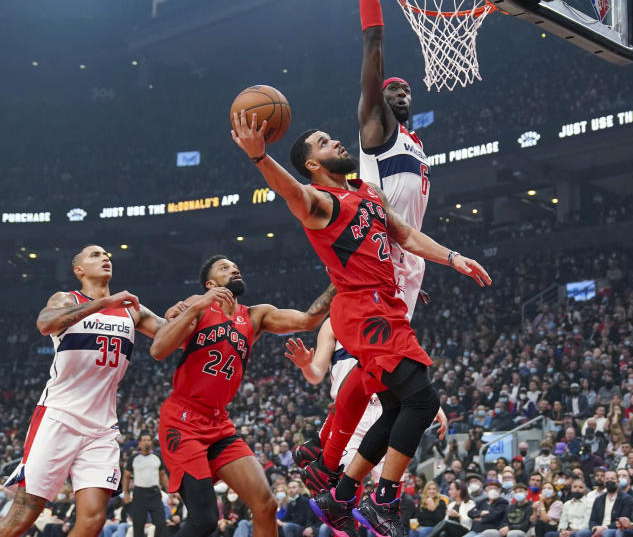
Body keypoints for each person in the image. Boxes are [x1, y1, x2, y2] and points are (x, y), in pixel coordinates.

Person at [231, 87, 489, 537]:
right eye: (326, 143)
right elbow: (290, 192)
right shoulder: (319, 203)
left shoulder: (365, 191)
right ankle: (383, 498)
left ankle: (341, 493)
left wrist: (452, 258)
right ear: (313, 164)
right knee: (423, 401)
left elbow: (406, 236)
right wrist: (260, 159)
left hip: (381, 304)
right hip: (364, 312)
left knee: (395, 409)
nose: (338, 143)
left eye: (334, 138)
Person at [289, 0, 438, 498]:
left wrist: (421, 266)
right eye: (388, 86)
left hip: (397, 265)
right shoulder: (375, 132)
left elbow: (403, 227)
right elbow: (373, 43)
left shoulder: (418, 145)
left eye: (404, 87)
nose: (394, 89)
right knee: (409, 395)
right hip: (377, 273)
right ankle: (338, 470)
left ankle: (333, 469)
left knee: (400, 393)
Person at [150, 256, 335, 537]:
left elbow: (308, 320)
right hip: (183, 421)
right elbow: (158, 349)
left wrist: (339, 282)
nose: (234, 269)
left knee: (265, 505)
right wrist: (198, 304)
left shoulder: (254, 316)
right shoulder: (197, 306)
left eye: (235, 266)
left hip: (218, 424)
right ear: (210, 284)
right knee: (204, 520)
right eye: (224, 268)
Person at [0, 244, 171, 537]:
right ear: (78, 270)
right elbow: (45, 324)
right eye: (95, 255)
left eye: (107, 255)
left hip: (102, 428)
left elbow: (174, 335)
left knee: (93, 520)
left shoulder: (132, 310)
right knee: (23, 516)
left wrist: (191, 310)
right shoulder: (67, 299)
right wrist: (103, 303)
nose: (105, 258)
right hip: (58, 417)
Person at [123, 433, 169, 537]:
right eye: (144, 440)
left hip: (154, 494)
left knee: (161, 524)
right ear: (139, 443)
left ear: (151, 442)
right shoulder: (133, 458)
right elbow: (126, 476)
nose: (146, 442)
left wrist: (169, 489)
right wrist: (126, 493)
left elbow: (162, 475)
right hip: (139, 494)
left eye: (148, 440)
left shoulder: (157, 457)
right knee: (138, 526)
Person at [577, 470, 633, 537]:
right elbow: (592, 520)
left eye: (612, 479)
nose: (609, 481)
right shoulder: (598, 499)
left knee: (607, 533)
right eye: (607, 479)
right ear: (604, 482)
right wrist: (594, 528)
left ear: (618, 482)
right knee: (581, 533)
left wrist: (604, 528)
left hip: (614, 529)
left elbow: (622, 520)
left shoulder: (626, 498)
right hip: (598, 528)